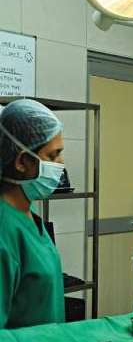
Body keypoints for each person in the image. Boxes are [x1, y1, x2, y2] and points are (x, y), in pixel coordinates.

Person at [0, 99, 66, 329]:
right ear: (21, 161)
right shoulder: (4, 229)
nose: (61, 164)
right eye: (53, 156)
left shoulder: (28, 215)